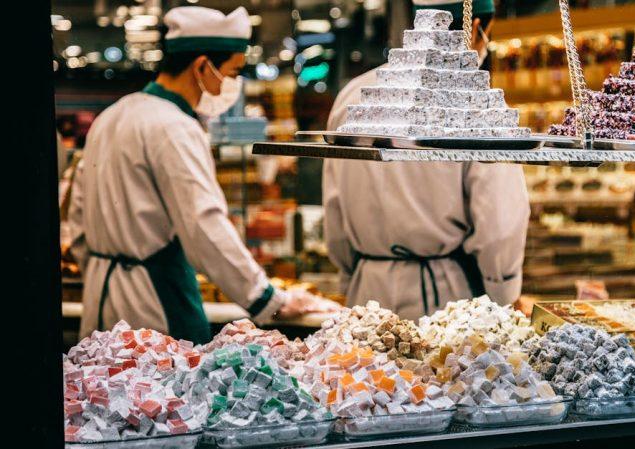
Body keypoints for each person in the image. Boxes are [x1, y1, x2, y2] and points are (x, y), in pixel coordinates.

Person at [68, 6, 337, 343]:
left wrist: (105, 264)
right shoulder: (175, 127)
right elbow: (204, 224)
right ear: (201, 66)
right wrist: (267, 299)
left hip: (99, 295)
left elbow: (76, 222)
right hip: (155, 303)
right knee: (158, 391)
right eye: (233, 71)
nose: (234, 83)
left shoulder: (110, 116)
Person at [323, 0, 529, 320]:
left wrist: (351, 277)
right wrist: (504, 294)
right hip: (443, 299)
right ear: (475, 28)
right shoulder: (478, 105)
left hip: (365, 292)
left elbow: (333, 213)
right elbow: (499, 223)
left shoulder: (352, 95)